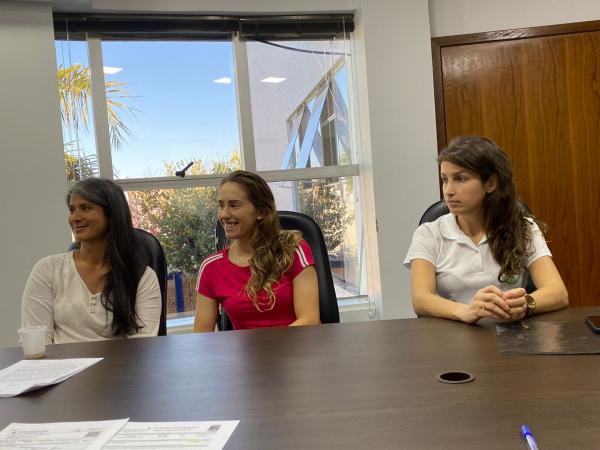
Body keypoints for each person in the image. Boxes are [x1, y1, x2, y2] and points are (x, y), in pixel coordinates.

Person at [404, 136, 568, 324]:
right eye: (445, 179)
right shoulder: (428, 233)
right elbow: (421, 299)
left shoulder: (523, 228)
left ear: (490, 183)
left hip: (510, 331)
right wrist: (467, 311)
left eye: (460, 179)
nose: (448, 190)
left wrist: (526, 304)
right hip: (452, 333)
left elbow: (558, 292)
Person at [21, 178, 161, 343]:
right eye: (72, 210)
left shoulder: (143, 277)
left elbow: (144, 346)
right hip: (60, 360)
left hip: (121, 361)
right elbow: (36, 342)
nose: (75, 217)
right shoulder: (47, 270)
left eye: (85, 208)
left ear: (112, 214)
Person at [193, 170, 320, 331]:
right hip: (246, 348)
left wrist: (266, 346)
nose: (224, 214)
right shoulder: (211, 268)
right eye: (221, 205)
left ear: (261, 212)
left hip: (299, 344)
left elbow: (310, 320)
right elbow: (201, 337)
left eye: (234, 205)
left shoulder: (293, 249)